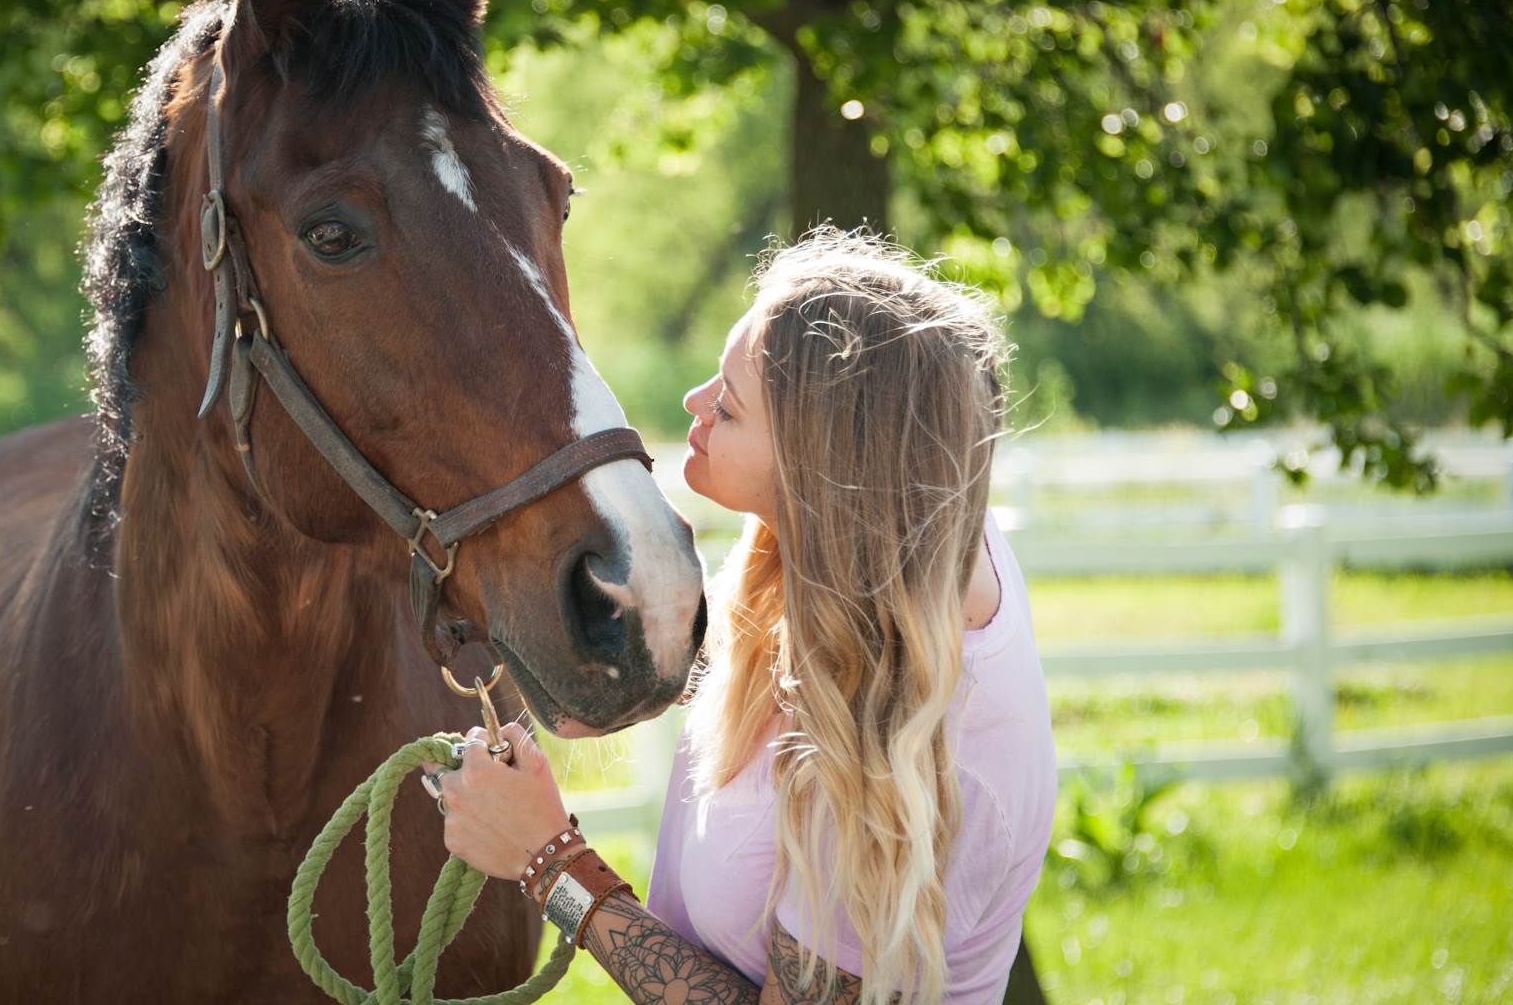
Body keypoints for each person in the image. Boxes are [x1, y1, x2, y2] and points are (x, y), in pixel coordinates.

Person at [423, 228, 1056, 1004]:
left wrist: (549, 861)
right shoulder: (913, 535)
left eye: (728, 407)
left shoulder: (893, 751)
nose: (694, 405)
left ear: (820, 468)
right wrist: (629, 674)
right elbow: (783, 658)